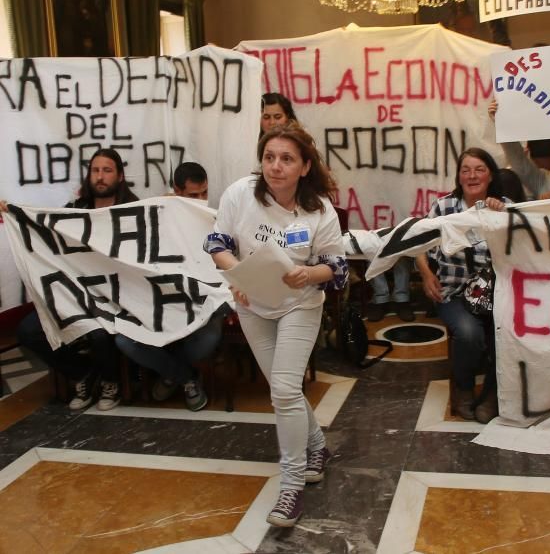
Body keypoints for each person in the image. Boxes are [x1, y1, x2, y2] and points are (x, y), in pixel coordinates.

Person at [205, 124, 348, 527]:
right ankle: (317, 446)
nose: (275, 166)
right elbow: (217, 244)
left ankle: (291, 487)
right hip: (253, 304)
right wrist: (240, 277)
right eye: (269, 157)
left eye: (286, 159)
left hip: (300, 305)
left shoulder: (320, 211)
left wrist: (308, 274)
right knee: (282, 388)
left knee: (284, 390)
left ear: (304, 167)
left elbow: (337, 270)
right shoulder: (239, 194)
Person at [3, 148, 138, 411]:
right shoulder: (73, 211)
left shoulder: (132, 211)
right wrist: (13, 212)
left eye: (107, 170)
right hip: (73, 295)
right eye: (95, 170)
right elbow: (42, 231)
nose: (100, 177)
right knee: (28, 331)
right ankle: (83, 374)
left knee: (99, 334)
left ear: (120, 176)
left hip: (115, 298)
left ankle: (111, 382)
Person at [116, 161, 221, 411]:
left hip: (201, 301)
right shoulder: (156, 216)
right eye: (193, 195)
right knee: (125, 341)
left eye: (204, 193)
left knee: (210, 337)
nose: (200, 200)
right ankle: (187, 378)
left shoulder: (214, 219)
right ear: (176, 191)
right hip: (160, 302)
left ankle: (171, 374)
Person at [415, 148, 506, 424]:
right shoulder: (444, 207)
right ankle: (464, 389)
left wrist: (502, 218)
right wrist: (426, 275)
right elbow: (418, 245)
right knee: (468, 334)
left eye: (479, 169)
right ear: (458, 176)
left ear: (491, 175)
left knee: (505, 335)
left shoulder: (503, 207)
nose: (472, 175)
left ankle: (492, 394)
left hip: (496, 294)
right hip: (452, 292)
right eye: (465, 169)